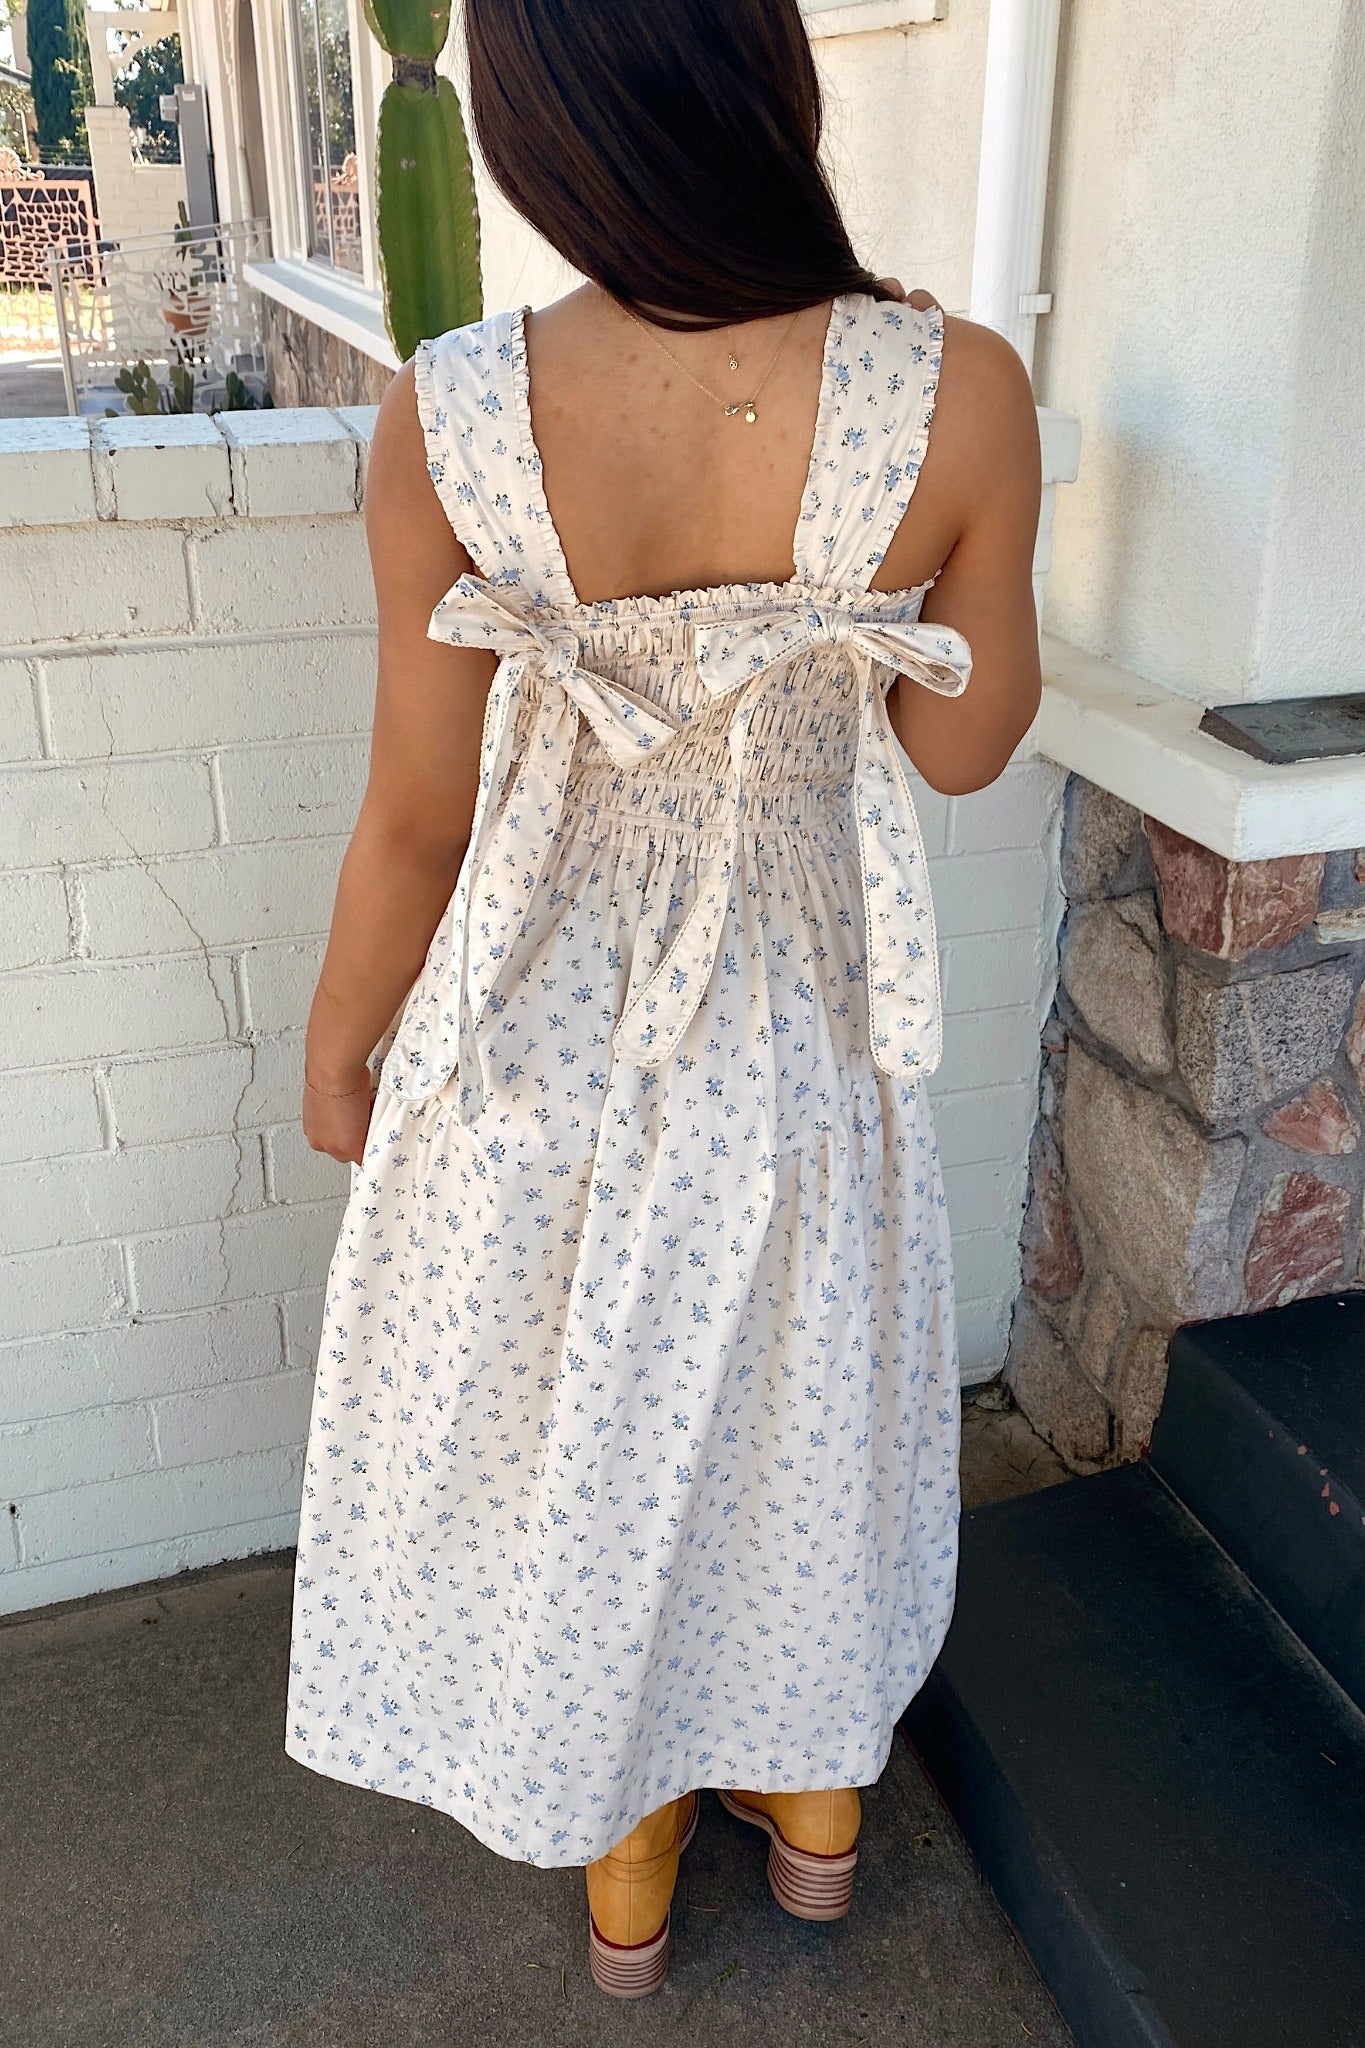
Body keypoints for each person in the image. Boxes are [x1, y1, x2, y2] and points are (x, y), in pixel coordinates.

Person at [284, 0, 1042, 2000]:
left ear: (534, 132)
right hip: (798, 1030)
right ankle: (811, 1815)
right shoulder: (950, 386)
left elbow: (416, 821)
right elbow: (962, 756)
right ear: (769, 86)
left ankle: (620, 1864)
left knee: (577, 1442)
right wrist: (853, 600)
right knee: (792, 1411)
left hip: (536, 1035)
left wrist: (341, 1044)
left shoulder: (446, 408)